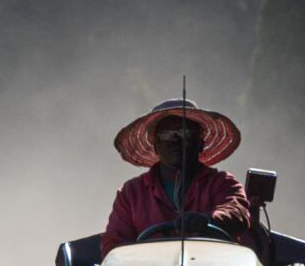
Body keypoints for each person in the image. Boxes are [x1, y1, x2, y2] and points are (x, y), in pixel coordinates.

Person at [99, 98, 254, 254]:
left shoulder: (223, 183)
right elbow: (114, 243)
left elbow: (236, 211)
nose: (174, 140)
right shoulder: (131, 193)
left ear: (200, 143)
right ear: (155, 146)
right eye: (165, 135)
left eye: (184, 132)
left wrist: (208, 221)